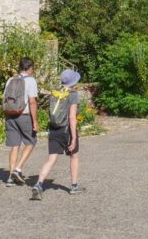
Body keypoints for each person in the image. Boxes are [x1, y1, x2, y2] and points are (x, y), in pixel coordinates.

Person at [31, 69, 86, 199]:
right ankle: (74, 186)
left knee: (51, 159)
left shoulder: (54, 92)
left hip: (54, 129)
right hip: (67, 130)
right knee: (74, 156)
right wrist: (73, 138)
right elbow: (72, 118)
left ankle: (38, 184)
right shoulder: (73, 95)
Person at [2, 57, 39, 186]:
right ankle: (17, 169)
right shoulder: (31, 81)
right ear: (29, 68)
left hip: (10, 115)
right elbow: (32, 102)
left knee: (14, 145)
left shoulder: (11, 80)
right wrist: (35, 121)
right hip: (23, 115)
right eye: (32, 68)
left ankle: (10, 178)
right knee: (31, 142)